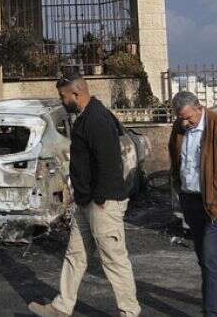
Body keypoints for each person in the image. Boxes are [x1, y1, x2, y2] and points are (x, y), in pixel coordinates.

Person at [28, 70, 140, 317]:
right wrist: (84, 199)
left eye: (62, 95)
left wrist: (99, 200)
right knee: (75, 255)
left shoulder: (97, 119)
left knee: (113, 259)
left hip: (103, 203)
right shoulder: (85, 116)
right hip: (87, 202)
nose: (61, 100)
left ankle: (130, 312)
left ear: (76, 94)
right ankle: (61, 307)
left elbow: (109, 163)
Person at [168, 91, 217, 316]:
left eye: (188, 117)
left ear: (199, 107)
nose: (184, 122)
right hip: (190, 199)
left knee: (211, 258)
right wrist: (178, 186)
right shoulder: (179, 127)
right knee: (205, 256)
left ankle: (211, 312)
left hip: (216, 203)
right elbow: (175, 158)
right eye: (180, 118)